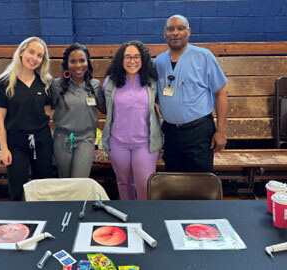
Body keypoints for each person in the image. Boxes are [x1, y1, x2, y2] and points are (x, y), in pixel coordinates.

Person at [154, 15, 229, 172]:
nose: (175, 33)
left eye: (180, 28)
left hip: (199, 131)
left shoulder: (204, 56)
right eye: (170, 29)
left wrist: (221, 131)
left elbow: (221, 92)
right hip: (170, 132)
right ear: (164, 34)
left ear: (188, 32)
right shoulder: (158, 62)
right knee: (174, 181)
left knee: (200, 182)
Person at [0, 37, 54, 201]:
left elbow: (48, 112)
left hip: (41, 141)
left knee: (43, 186)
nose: (34, 58)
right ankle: (18, 223)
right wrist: (4, 148)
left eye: (39, 55)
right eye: (31, 52)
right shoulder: (4, 83)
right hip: (16, 143)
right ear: (21, 52)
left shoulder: (45, 82)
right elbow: (0, 118)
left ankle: (43, 221)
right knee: (17, 187)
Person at [102, 40, 163, 200]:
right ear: (120, 60)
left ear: (143, 60)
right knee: (124, 183)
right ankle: (128, 220)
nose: (132, 61)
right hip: (118, 143)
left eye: (136, 57)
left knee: (144, 185)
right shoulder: (110, 82)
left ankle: (144, 218)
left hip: (145, 144)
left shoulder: (151, 82)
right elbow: (105, 107)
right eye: (127, 57)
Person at [51, 43, 106, 178]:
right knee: (65, 181)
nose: (78, 65)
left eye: (82, 60)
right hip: (62, 138)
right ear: (66, 64)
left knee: (80, 181)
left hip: (85, 138)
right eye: (73, 61)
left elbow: (105, 109)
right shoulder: (56, 85)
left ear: (88, 62)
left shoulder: (95, 85)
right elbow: (46, 109)